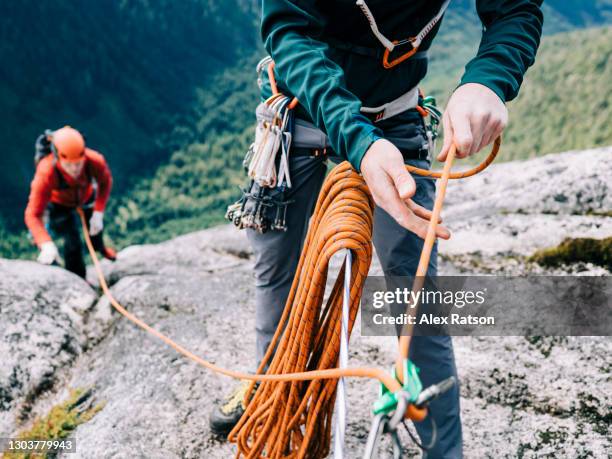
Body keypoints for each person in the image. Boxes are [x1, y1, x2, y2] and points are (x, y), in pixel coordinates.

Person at [211, 1, 543, 456]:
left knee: (417, 290)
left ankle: (445, 450)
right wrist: (360, 142)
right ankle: (270, 388)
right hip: (303, 106)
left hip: (394, 112)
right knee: (278, 270)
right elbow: (289, 30)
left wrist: (490, 78)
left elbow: (514, 7)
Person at [25, 126, 116, 278]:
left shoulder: (94, 161)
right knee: (72, 242)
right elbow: (32, 214)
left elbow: (105, 182)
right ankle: (79, 280)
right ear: (57, 157)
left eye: (78, 163)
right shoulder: (46, 172)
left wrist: (98, 211)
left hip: (86, 198)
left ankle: (101, 249)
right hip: (59, 205)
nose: (74, 169)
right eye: (69, 165)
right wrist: (45, 243)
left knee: (95, 230)